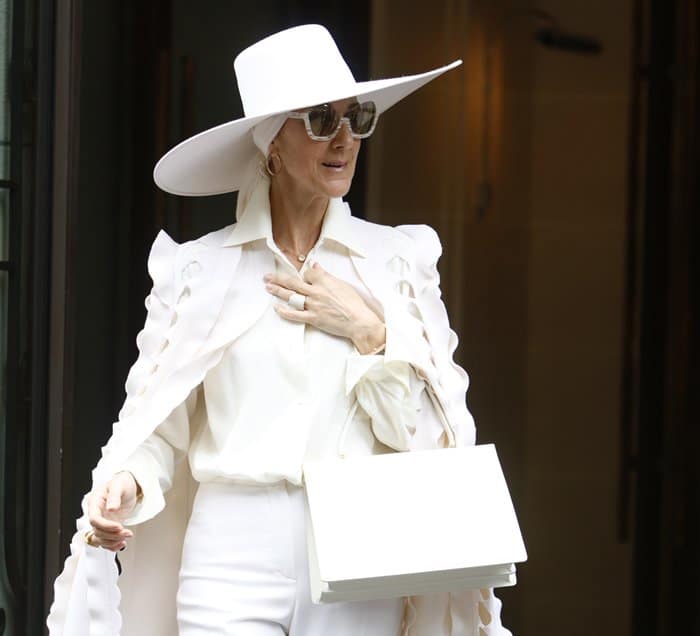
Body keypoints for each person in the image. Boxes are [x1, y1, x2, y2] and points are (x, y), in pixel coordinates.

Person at [47, 24, 512, 635]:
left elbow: (430, 438)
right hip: (230, 552)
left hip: (359, 542)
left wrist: (370, 332)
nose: (345, 138)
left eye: (357, 117)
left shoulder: (395, 263)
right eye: (321, 119)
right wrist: (127, 484)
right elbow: (161, 427)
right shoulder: (200, 270)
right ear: (271, 145)